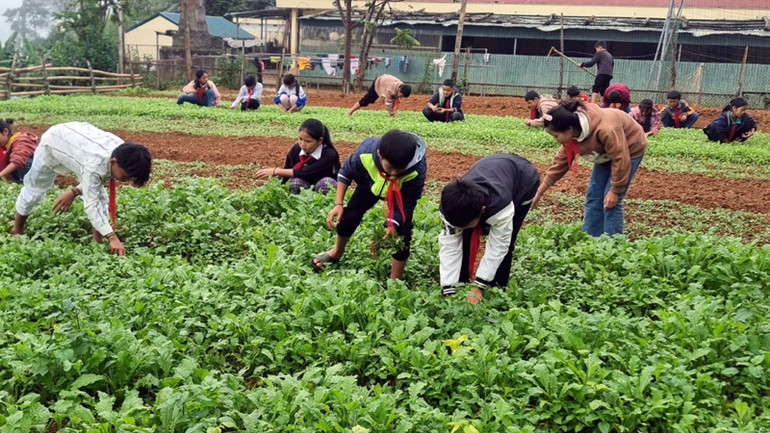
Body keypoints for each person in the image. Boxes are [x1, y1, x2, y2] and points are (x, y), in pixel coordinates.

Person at [12, 122, 151, 255]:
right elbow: (92, 203)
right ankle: (17, 230)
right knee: (34, 189)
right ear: (113, 162)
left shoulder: (123, 151)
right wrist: (112, 237)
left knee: (100, 196)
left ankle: (97, 242)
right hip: (53, 143)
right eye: (125, 176)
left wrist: (73, 192)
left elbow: (94, 182)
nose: (126, 181)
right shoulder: (95, 163)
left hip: (78, 147)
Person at [311, 130, 427, 279]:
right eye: (390, 167)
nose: (395, 172)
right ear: (379, 154)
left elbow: (408, 201)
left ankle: (395, 280)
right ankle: (336, 252)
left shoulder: (416, 169)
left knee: (401, 233)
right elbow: (346, 172)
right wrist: (338, 203)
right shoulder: (365, 153)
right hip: (369, 184)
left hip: (399, 193)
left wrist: (392, 224)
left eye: (401, 169)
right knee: (349, 215)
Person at [532, 100, 647, 236]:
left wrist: (615, 191)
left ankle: (614, 244)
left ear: (569, 129)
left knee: (610, 200)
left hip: (629, 148)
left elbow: (621, 158)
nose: (555, 140)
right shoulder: (571, 136)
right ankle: (591, 238)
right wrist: (539, 193)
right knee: (594, 196)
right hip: (605, 153)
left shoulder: (605, 130)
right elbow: (560, 165)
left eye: (556, 136)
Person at [438, 154, 540, 304]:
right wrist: (448, 288)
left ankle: (497, 289)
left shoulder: (501, 207)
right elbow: (450, 245)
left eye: (466, 224)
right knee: (464, 236)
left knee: (508, 241)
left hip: (524, 181)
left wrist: (479, 285)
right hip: (493, 169)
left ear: (483, 210)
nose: (461, 228)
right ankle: (461, 283)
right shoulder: (449, 207)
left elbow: (499, 245)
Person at [255, 118, 340, 193]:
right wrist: (276, 188)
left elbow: (305, 171)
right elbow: (288, 168)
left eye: (308, 141)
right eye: (300, 139)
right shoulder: (297, 149)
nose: (302, 144)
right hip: (304, 182)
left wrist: (276, 171)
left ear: (320, 140)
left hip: (320, 182)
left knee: (327, 184)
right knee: (294, 183)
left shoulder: (329, 154)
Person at [347, 74, 412, 117]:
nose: (402, 97)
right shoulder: (390, 90)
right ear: (399, 90)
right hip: (379, 82)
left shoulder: (401, 85)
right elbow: (388, 105)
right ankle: (349, 112)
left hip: (386, 82)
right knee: (365, 100)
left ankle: (383, 97)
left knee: (391, 99)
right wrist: (392, 116)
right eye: (402, 95)